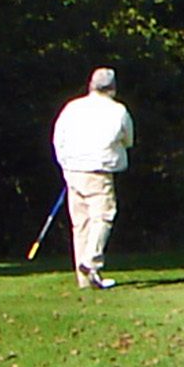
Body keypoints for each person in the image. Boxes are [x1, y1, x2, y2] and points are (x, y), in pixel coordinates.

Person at [50, 67, 133, 289]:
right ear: (112, 88)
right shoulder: (117, 111)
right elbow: (128, 140)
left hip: (72, 170)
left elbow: (58, 139)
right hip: (99, 170)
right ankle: (91, 261)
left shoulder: (72, 108)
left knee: (81, 223)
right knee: (103, 216)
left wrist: (65, 164)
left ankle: (85, 278)